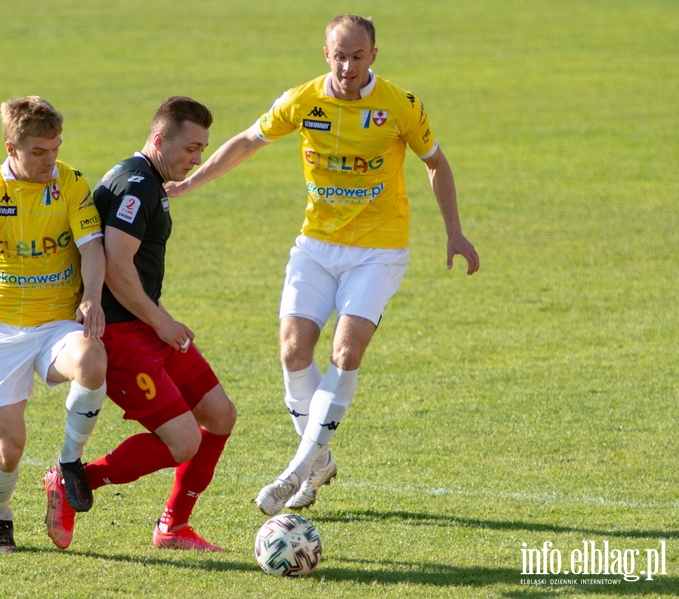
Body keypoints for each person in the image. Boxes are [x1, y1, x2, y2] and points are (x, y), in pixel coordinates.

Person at [166, 15, 480, 516]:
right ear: (325, 52)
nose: (347, 65)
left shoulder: (400, 106)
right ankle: (320, 460)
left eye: (358, 56)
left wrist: (455, 230)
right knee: (293, 352)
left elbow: (435, 161)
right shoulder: (303, 100)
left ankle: (297, 470)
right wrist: (188, 183)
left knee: (345, 349)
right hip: (316, 245)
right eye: (339, 54)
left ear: (373, 56)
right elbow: (249, 139)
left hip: (378, 250)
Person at [44, 96, 236, 552]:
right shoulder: (138, 184)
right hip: (122, 334)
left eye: (202, 149)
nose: (196, 159)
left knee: (220, 415)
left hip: (146, 325)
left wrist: (158, 322)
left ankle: (172, 528)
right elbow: (115, 265)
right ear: (158, 140)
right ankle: (72, 480)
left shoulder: (147, 179)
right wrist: (163, 322)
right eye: (189, 148)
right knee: (184, 440)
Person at [0, 96, 108, 552]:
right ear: (10, 147)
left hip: (56, 324)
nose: (50, 160)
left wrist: (91, 297)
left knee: (92, 357)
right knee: (9, 449)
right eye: (38, 152)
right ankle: (0, 517)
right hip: (2, 331)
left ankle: (69, 464)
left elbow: (92, 246)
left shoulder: (70, 182)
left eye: (55, 148)